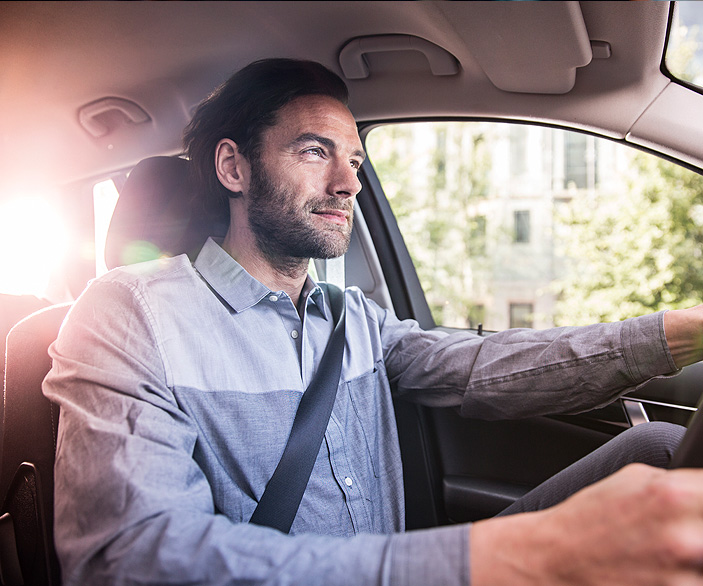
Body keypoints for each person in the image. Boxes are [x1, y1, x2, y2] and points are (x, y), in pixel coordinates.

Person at [43, 58, 703, 586]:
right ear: (233, 167)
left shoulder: (349, 316)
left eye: (354, 161)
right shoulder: (131, 313)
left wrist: (681, 330)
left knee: (652, 453)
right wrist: (500, 560)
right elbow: (129, 560)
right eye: (312, 151)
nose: (348, 183)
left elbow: (484, 368)